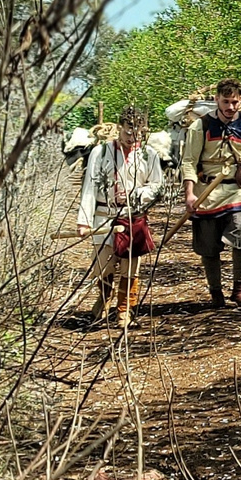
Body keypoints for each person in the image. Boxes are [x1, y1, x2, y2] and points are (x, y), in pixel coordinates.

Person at [183, 77, 241, 307]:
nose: (230, 107)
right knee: (209, 247)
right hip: (206, 192)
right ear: (216, 100)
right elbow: (189, 162)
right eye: (226, 101)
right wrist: (190, 194)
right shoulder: (200, 126)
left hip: (237, 191)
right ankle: (216, 292)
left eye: (235, 102)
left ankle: (239, 287)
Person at [76, 107, 165, 325]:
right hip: (104, 214)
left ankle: (125, 309)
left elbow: (157, 185)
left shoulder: (148, 154)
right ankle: (105, 298)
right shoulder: (101, 152)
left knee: (130, 265)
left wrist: (139, 195)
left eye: (137, 133)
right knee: (103, 265)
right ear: (119, 129)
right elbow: (89, 186)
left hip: (132, 216)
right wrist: (84, 220)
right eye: (128, 132)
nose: (131, 137)